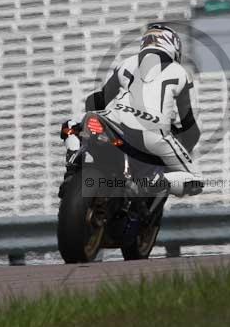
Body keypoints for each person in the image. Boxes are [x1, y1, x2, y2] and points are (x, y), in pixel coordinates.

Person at [63, 23, 203, 197]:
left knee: (70, 125)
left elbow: (99, 100)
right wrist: (183, 147)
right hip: (152, 134)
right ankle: (155, 181)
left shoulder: (126, 63)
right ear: (173, 46)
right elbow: (190, 127)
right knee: (195, 182)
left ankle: (72, 165)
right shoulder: (180, 72)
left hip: (113, 122)